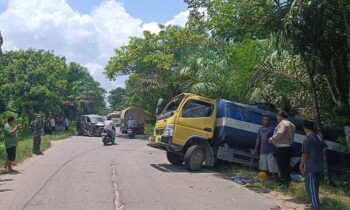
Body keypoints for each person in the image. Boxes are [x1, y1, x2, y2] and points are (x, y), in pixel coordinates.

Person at [299, 121, 327, 210]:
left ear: (304, 127)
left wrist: (301, 165)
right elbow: (325, 147)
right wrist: (317, 154)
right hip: (319, 165)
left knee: (311, 187)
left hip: (311, 166)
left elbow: (305, 154)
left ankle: (315, 207)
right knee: (315, 187)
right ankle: (315, 204)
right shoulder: (317, 137)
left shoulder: (307, 140)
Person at [269, 110, 295, 188]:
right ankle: (287, 181)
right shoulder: (292, 125)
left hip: (282, 147)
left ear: (280, 116)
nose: (277, 118)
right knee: (286, 165)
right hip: (289, 147)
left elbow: (280, 134)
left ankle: (284, 183)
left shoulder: (282, 124)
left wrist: (272, 138)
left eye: (277, 116)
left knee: (282, 166)